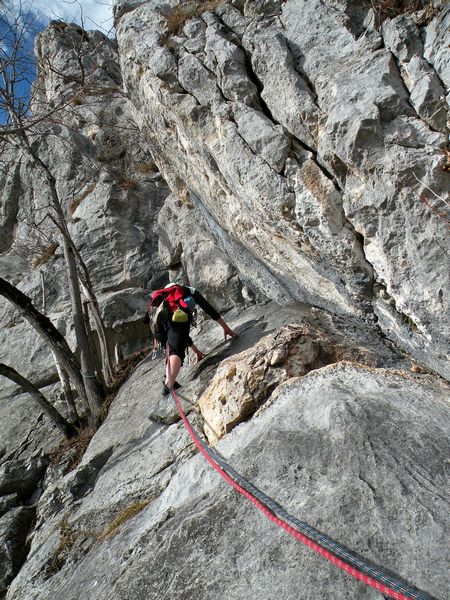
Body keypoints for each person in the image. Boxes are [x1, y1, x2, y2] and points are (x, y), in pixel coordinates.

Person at [154, 283, 236, 396]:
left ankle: (169, 378)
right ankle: (168, 385)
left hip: (158, 329)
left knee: (172, 348)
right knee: (176, 352)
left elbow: (180, 336)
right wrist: (226, 328)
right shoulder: (190, 291)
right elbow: (209, 309)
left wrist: (196, 350)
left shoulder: (163, 300)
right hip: (176, 320)